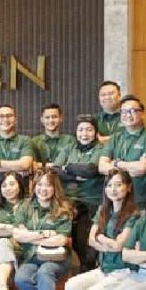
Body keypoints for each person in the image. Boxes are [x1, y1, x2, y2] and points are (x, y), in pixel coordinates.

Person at [51, 169, 138, 290]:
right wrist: (108, 242)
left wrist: (102, 239)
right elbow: (91, 240)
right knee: (72, 285)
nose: (113, 189)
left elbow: (119, 245)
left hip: (123, 271)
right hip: (103, 269)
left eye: (118, 185)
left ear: (128, 187)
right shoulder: (103, 210)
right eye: (109, 185)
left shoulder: (134, 215)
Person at [12, 169, 73, 290]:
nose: (43, 189)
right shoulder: (25, 206)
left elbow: (61, 240)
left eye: (48, 185)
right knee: (21, 278)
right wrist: (44, 234)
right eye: (40, 184)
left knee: (45, 272)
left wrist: (30, 236)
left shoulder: (63, 209)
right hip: (31, 257)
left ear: (55, 188)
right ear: (34, 186)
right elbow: (17, 234)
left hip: (56, 258)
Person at [52, 116, 104, 273]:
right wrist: (75, 174)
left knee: (84, 243)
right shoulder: (69, 147)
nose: (84, 134)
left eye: (89, 130)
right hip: (68, 201)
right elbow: (55, 169)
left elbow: (91, 170)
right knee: (67, 239)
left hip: (91, 202)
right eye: (80, 130)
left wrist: (68, 168)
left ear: (95, 132)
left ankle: (87, 270)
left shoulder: (101, 149)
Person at [98, 94, 146, 209]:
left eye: (133, 111)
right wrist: (132, 167)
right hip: (115, 200)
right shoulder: (115, 138)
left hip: (140, 200)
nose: (128, 115)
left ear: (142, 114)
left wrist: (116, 163)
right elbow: (102, 167)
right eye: (124, 112)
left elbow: (144, 167)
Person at [0, 104, 34, 204]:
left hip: (21, 196)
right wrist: (17, 167)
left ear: (15, 120)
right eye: (1, 116)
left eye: (9, 116)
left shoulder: (25, 140)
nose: (5, 119)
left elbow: (25, 164)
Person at [30, 103, 76, 170]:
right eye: (47, 117)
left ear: (60, 118)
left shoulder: (70, 140)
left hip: (63, 176)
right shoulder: (34, 141)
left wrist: (42, 165)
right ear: (42, 120)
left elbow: (71, 165)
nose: (51, 120)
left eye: (54, 117)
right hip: (40, 176)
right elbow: (32, 165)